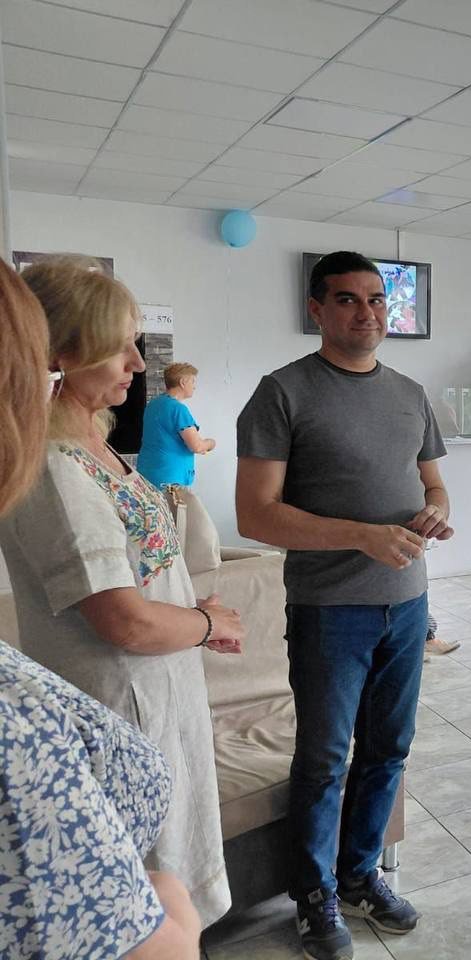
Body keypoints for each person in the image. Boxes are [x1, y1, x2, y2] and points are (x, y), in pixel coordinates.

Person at [0, 256, 241, 927]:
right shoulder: (54, 468)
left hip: (160, 697)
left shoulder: (94, 446)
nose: (137, 363)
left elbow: (141, 575)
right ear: (61, 354)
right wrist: (207, 622)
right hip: (120, 705)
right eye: (119, 346)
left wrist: (193, 615)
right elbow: (124, 621)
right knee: (146, 896)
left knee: (175, 880)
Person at [236, 250, 453, 960]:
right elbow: (256, 514)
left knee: (389, 749)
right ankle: (314, 894)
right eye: (348, 300)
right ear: (317, 309)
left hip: (408, 605)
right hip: (331, 611)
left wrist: (436, 511)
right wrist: (361, 535)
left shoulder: (410, 393)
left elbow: (434, 484)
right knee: (325, 758)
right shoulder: (282, 393)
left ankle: (359, 875)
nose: (367, 313)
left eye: (376, 299)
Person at [137, 362, 215, 489]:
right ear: (183, 382)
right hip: (170, 480)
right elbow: (197, 446)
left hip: (146, 474)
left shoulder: (153, 405)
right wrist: (211, 443)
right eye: (193, 381)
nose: (194, 386)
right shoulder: (178, 409)